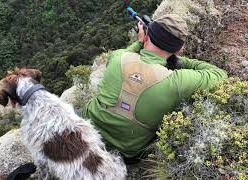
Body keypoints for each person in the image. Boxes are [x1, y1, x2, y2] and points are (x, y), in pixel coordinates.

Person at [81, 14, 228, 160]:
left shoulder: (118, 57)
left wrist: (140, 43)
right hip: (125, 154)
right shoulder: (177, 81)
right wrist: (180, 61)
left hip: (84, 132)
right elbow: (219, 74)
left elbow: (128, 53)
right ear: (177, 50)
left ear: (146, 36)